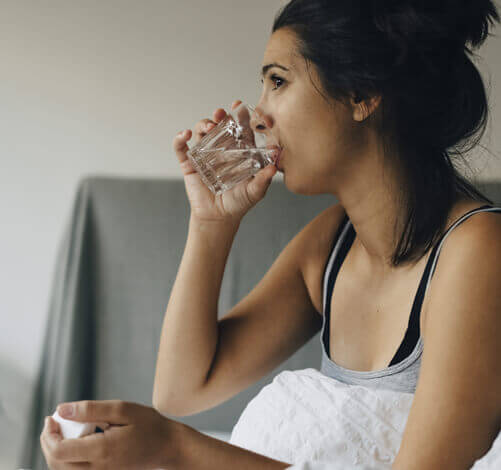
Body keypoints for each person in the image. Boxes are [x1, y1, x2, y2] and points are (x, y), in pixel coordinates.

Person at [41, 1, 501, 468]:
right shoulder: (332, 243)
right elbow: (182, 390)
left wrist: (177, 447)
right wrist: (211, 223)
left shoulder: (479, 251)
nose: (257, 115)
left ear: (362, 93)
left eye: (277, 81)